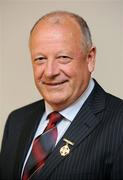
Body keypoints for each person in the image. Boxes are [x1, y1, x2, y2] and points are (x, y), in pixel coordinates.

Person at [0, 10, 123, 180]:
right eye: (40, 59)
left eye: (63, 57)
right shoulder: (17, 121)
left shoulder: (119, 123)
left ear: (90, 58)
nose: (50, 72)